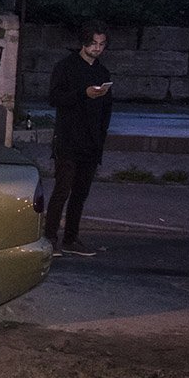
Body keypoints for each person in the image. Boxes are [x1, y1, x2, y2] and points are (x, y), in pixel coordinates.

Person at [45, 21, 112, 256]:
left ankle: (71, 239)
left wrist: (100, 142)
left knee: (80, 194)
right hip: (68, 140)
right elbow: (54, 98)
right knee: (62, 190)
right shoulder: (66, 67)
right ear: (84, 43)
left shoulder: (102, 72)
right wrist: (83, 94)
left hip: (91, 143)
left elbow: (106, 111)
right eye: (94, 43)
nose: (98, 48)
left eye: (102, 44)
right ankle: (50, 237)